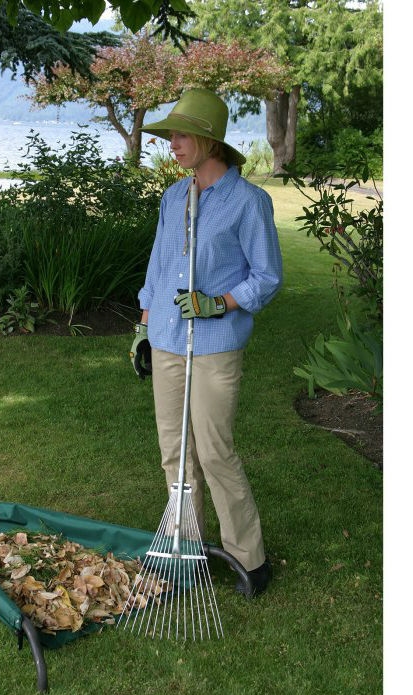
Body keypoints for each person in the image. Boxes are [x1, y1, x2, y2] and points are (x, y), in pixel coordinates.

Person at [129, 88, 283, 596]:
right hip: (168, 341)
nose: (172, 143)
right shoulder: (174, 197)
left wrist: (219, 302)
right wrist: (144, 326)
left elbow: (267, 277)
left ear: (209, 141)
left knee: (215, 452)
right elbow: (158, 266)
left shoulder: (249, 203)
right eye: (171, 135)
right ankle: (185, 550)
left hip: (215, 347)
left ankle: (250, 558)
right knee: (174, 453)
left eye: (181, 135)